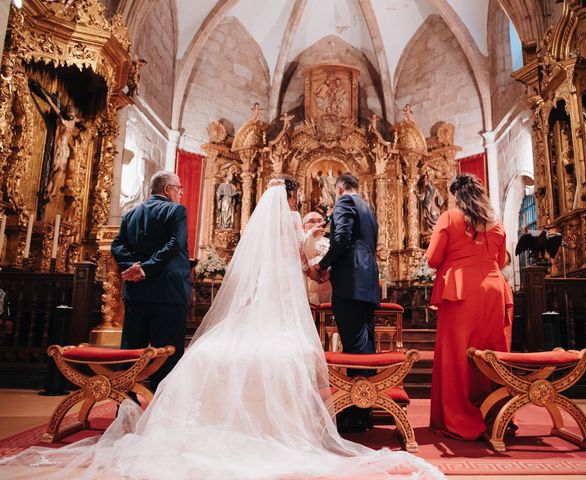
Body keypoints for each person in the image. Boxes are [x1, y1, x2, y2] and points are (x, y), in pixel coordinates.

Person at [1, 176, 445, 480]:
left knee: (146, 349)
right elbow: (304, 258)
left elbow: (126, 246)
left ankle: (135, 404)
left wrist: (132, 267)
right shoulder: (309, 218)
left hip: (168, 293)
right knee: (340, 347)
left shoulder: (265, 224)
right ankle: (354, 410)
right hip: (322, 289)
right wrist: (317, 269)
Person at [426, 174, 512, 440]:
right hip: (494, 289)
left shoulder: (450, 218)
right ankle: (497, 413)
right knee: (492, 351)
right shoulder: (496, 224)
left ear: (457, 197)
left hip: (460, 291)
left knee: (458, 355)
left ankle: (459, 416)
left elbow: (432, 258)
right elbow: (501, 259)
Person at [111, 170, 190, 392]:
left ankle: (124, 405)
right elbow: (175, 243)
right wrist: (145, 268)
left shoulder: (130, 214)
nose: (180, 194)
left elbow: (117, 245)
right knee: (166, 355)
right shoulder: (176, 211)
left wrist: (133, 266)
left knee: (130, 353)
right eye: (178, 189)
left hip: (137, 294)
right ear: (167, 189)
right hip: (168, 293)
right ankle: (160, 408)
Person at [314, 173, 381, 433]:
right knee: (365, 347)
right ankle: (364, 412)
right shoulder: (368, 208)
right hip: (367, 279)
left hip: (351, 281)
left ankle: (355, 414)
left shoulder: (344, 203)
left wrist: (322, 264)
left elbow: (341, 239)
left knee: (354, 349)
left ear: (340, 189)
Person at [301, 211, 331, 304]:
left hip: (327, 286)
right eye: (312, 221)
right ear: (303, 226)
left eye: (319, 221)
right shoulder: (301, 241)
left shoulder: (330, 243)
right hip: (306, 286)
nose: (317, 224)